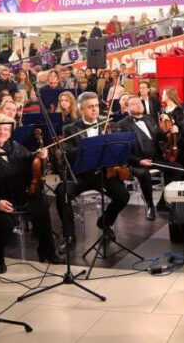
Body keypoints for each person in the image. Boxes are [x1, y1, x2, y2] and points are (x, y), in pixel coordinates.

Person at [0, 114, 62, 273]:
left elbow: (31, 162)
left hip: (17, 195)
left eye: (6, 129)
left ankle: (47, 251)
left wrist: (41, 156)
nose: (2, 132)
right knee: (4, 222)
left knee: (42, 205)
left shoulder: (14, 146)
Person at [55, 92, 130, 250]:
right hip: (79, 176)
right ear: (81, 109)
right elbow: (67, 152)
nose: (95, 109)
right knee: (62, 192)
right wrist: (89, 147)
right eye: (90, 107)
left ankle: (104, 222)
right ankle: (69, 235)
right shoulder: (70, 128)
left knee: (123, 195)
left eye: (96, 106)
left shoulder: (108, 124)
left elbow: (120, 147)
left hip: (104, 174)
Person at [116, 96, 184, 219]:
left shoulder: (150, 119)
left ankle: (163, 202)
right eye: (134, 104)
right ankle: (150, 205)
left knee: (178, 169)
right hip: (136, 162)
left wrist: (171, 132)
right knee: (144, 174)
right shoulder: (122, 125)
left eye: (139, 102)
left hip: (155, 159)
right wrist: (139, 161)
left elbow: (160, 137)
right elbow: (122, 151)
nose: (138, 105)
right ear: (126, 108)